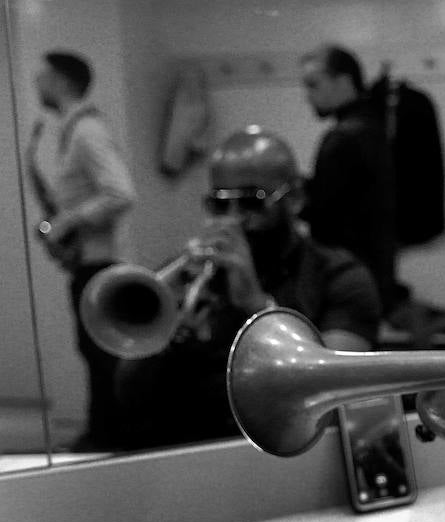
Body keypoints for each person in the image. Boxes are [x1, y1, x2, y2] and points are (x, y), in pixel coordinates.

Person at [115, 126, 381, 449]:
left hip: (281, 461)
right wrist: (166, 334)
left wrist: (257, 306)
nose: (232, 220)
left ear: (294, 198)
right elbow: (126, 396)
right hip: (179, 456)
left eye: (251, 203)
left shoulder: (341, 277)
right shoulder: (189, 277)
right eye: (220, 205)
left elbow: (331, 387)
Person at [26, 50, 136, 451]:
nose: (37, 85)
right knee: (93, 351)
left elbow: (122, 192)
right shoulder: (74, 130)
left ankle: (108, 435)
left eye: (43, 77)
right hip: (90, 262)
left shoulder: (87, 132)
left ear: (62, 81)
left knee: (100, 352)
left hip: (99, 264)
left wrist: (65, 223)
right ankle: (103, 431)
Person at [298, 44, 401, 325]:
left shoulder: (343, 138)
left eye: (313, 84)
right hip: (373, 278)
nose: (308, 96)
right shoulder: (373, 128)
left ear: (343, 81)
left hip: (346, 281)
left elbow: (323, 214)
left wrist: (292, 197)